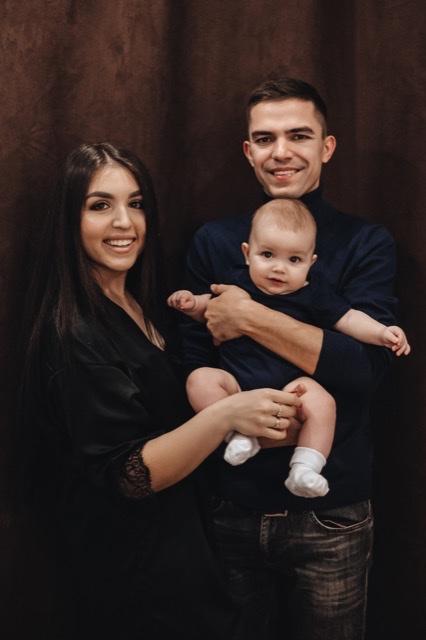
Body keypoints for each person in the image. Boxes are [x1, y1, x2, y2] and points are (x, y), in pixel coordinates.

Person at [19, 143, 301, 640]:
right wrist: (226, 415)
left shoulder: (138, 302)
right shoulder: (76, 335)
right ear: (68, 220)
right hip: (134, 576)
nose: (124, 222)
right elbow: (130, 474)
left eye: (136, 203)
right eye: (100, 205)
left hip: (185, 554)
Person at [180, 77, 401, 639]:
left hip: (332, 511)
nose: (281, 152)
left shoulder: (365, 243)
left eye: (299, 135)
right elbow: (190, 363)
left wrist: (247, 316)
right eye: (265, 138)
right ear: (248, 150)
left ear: (327, 146)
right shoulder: (214, 241)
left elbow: (363, 373)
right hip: (233, 503)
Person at [169, 198, 409, 498]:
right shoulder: (237, 282)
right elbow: (209, 308)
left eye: (294, 260)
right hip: (238, 389)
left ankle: (305, 468)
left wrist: (382, 332)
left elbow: (349, 319)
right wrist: (191, 303)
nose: (278, 268)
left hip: (294, 390)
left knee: (322, 403)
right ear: (247, 253)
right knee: (200, 380)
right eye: (267, 255)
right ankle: (238, 435)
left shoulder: (315, 294)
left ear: (311, 263)